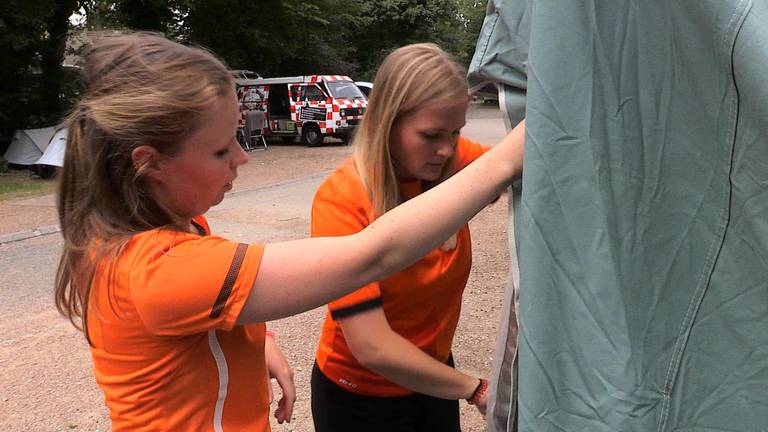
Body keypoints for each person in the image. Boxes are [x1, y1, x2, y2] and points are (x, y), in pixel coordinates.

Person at [54, 32, 524, 432]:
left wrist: (263, 344)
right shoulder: (159, 270)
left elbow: (203, 315)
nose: (243, 158)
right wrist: (510, 156)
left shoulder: (154, 230)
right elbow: (372, 255)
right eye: (221, 150)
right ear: (149, 164)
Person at [309, 43, 501, 432]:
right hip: (359, 399)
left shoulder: (447, 158)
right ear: (388, 122)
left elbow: (522, 160)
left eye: (456, 131)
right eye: (431, 135)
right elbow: (371, 345)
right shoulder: (341, 202)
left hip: (431, 380)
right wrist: (476, 388)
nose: (446, 149)